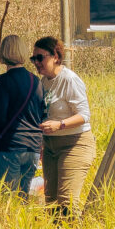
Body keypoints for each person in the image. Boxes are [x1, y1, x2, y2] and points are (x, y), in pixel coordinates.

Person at [33, 36, 95, 214]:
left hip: (74, 144)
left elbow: (84, 115)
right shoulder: (44, 82)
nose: (36, 63)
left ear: (56, 57)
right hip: (51, 146)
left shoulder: (69, 79)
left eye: (40, 57)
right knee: (51, 201)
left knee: (67, 200)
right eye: (33, 59)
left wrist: (60, 125)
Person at [0, 34, 45, 199]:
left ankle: (9, 225)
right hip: (33, 146)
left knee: (7, 199)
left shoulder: (3, 81)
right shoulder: (36, 81)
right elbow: (41, 114)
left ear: (3, 52)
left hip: (11, 146)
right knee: (23, 196)